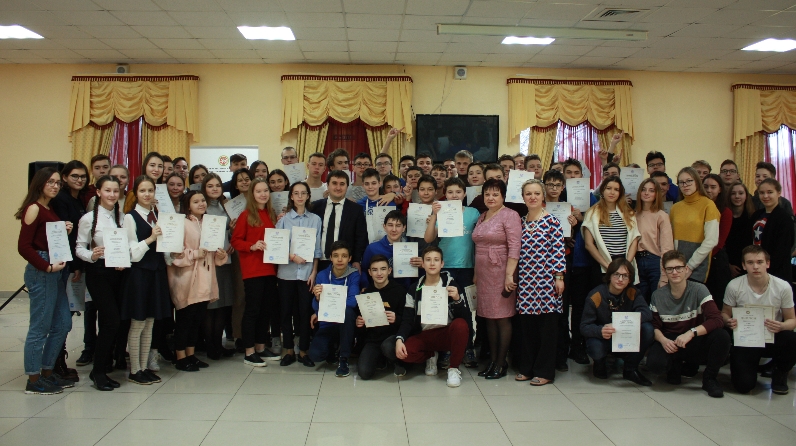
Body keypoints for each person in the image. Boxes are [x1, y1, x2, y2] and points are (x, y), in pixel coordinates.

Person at [17, 168, 74, 395]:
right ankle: (33, 379)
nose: (55, 186)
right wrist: (46, 266)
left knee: (63, 324)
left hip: (55, 270)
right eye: (50, 182)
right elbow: (24, 246)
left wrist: (64, 231)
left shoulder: (49, 208)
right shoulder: (34, 208)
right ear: (40, 183)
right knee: (39, 327)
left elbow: (48, 239)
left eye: (58, 183)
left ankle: (48, 372)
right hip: (42, 270)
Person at [647, 250, 730, 398]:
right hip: (671, 340)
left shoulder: (699, 289)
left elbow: (717, 320)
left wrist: (691, 333)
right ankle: (675, 365)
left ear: (686, 269)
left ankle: (710, 379)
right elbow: (654, 326)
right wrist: (664, 341)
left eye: (678, 268)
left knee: (722, 336)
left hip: (693, 338)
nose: (675, 272)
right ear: (664, 271)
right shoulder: (658, 295)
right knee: (655, 366)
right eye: (670, 269)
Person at [389, 246, 471, 387]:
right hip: (425, 334)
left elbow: (465, 318)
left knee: (460, 325)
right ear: (422, 263)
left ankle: (453, 368)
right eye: (428, 260)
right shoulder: (414, 289)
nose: (432, 263)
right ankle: (431, 355)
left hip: (446, 334)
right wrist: (399, 339)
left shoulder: (452, 285)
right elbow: (407, 320)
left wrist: (457, 299)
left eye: (436, 260)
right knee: (404, 353)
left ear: (442, 264)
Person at [167, 190, 228, 371]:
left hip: (205, 277)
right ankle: (180, 357)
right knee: (185, 319)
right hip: (186, 278)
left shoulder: (208, 224)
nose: (201, 204)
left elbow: (212, 253)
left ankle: (191, 354)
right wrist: (194, 254)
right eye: (196, 202)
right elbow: (173, 253)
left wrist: (220, 255)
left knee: (197, 319)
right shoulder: (182, 223)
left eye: (202, 200)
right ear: (188, 206)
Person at [723, 245, 796, 395]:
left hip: (772, 337)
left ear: (767, 263)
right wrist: (728, 321)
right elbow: (724, 313)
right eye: (750, 262)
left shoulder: (783, 287)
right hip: (746, 340)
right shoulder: (734, 285)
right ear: (744, 265)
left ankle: (780, 372)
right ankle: (749, 369)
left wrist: (781, 326)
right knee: (743, 386)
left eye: (760, 262)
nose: (755, 267)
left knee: (791, 338)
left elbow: (792, 320)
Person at [76, 175, 125, 391]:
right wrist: (92, 255)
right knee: (111, 321)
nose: (112, 195)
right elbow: (79, 248)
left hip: (119, 273)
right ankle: (97, 371)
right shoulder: (88, 219)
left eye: (115, 191)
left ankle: (102, 368)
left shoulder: (121, 216)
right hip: (98, 273)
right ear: (98, 192)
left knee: (111, 321)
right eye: (107, 190)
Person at [425, 177, 481, 367]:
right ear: (445, 194)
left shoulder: (473, 213)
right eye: (450, 192)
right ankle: (446, 350)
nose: (454, 195)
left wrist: (477, 269)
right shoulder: (440, 211)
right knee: (445, 309)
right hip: (445, 267)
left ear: (464, 194)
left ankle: (468, 348)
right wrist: (434, 216)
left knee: (465, 309)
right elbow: (428, 238)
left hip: (467, 267)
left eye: (458, 192)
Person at [515, 179, 566, 385]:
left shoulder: (552, 221)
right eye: (528, 194)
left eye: (537, 193)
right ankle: (527, 368)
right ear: (523, 197)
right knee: (527, 328)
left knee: (547, 329)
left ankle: (544, 371)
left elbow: (558, 251)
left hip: (547, 282)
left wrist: (559, 277)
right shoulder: (520, 222)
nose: (533, 197)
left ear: (543, 195)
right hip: (525, 282)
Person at [121, 176, 171, 384]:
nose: (147, 194)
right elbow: (132, 253)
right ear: (135, 193)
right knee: (138, 322)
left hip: (156, 273)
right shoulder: (130, 217)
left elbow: (164, 246)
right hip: (139, 275)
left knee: (150, 322)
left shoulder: (157, 214)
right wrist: (151, 238)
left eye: (150, 190)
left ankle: (144, 367)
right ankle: (135, 369)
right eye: (142, 191)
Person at [471, 178, 522, 379]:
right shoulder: (482, 216)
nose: (491, 198)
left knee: (502, 317)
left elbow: (515, 246)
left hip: (501, 271)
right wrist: (476, 274)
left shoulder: (510, 215)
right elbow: (477, 247)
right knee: (489, 318)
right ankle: (493, 361)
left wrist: (509, 275)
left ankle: (502, 363)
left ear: (503, 196)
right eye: (487, 194)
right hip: (484, 273)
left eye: (495, 194)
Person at [580, 258, 653, 385]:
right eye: (616, 275)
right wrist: (600, 330)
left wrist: (626, 322)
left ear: (630, 279)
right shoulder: (596, 295)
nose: (620, 279)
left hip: (626, 337)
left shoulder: (633, 292)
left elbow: (647, 314)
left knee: (648, 329)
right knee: (596, 347)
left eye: (625, 276)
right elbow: (584, 326)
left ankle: (630, 368)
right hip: (604, 338)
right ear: (609, 276)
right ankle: (600, 363)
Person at [230, 178, 280, 367]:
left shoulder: (271, 214)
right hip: (253, 270)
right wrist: (252, 246)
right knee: (252, 310)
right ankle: (249, 351)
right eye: (258, 191)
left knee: (266, 310)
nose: (263, 194)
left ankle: (260, 347)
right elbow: (236, 241)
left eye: (265, 190)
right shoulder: (246, 215)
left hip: (270, 269)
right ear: (252, 194)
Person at [275, 181, 322, 367]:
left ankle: (303, 351)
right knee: (286, 312)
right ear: (291, 196)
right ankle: (288, 350)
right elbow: (277, 246)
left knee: (304, 312)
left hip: (307, 274)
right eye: (296, 193)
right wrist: (292, 256)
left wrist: (314, 272)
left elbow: (317, 249)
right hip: (286, 273)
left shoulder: (315, 219)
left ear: (308, 196)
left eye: (303, 193)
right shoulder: (283, 220)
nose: (300, 196)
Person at [52, 161, 91, 370]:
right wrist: (75, 265)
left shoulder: (78, 199)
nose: (79, 180)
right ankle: (56, 362)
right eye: (75, 176)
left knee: (67, 313)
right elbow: (65, 237)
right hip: (65, 263)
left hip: (76, 262)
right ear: (65, 177)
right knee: (62, 316)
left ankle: (58, 360)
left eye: (83, 176)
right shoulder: (61, 199)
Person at [562, 158, 599, 365]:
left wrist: (582, 219)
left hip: (585, 260)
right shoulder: (558, 196)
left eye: (576, 173)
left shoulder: (591, 198)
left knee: (580, 306)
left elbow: (598, 225)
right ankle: (563, 345)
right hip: (563, 261)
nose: (573, 176)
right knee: (563, 306)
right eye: (569, 172)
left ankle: (579, 346)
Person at [309, 241, 361, 377]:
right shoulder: (322, 275)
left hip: (345, 323)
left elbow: (352, 302)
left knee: (348, 312)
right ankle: (333, 348)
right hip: (328, 323)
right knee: (315, 355)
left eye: (344, 256)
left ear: (349, 258)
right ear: (330, 257)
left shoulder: (354, 275)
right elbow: (315, 307)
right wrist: (318, 299)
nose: (340, 259)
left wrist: (327, 305)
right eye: (336, 255)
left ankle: (344, 359)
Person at [201, 174, 238, 361]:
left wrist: (231, 238)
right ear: (204, 188)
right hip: (209, 262)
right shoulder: (202, 206)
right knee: (211, 306)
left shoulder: (226, 206)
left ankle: (219, 344)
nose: (214, 189)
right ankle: (211, 346)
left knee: (223, 304)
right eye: (210, 186)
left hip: (226, 260)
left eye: (217, 185)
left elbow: (229, 232)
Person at [582, 176, 640, 286]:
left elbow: (634, 240)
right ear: (602, 190)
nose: (612, 192)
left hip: (624, 262)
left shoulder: (628, 212)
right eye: (608, 188)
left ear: (620, 193)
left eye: (616, 189)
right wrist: (608, 266)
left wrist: (626, 264)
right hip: (602, 264)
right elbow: (589, 244)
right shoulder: (592, 213)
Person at [356, 257, 407, 379]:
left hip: (393, 338)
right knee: (364, 373)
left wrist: (396, 319)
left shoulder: (400, 291)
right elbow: (362, 330)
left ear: (389, 271)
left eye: (383, 269)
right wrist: (359, 324)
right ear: (369, 272)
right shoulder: (366, 294)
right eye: (375, 270)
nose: (379, 273)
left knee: (388, 346)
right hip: (374, 339)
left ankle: (397, 362)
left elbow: (408, 321)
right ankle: (382, 360)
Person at [668, 167, 720, 284]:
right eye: (681, 182)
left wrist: (690, 266)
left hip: (698, 265)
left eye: (689, 181)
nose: (685, 185)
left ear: (697, 181)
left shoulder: (708, 205)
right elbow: (671, 239)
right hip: (677, 265)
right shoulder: (675, 208)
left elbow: (711, 240)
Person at [359, 210, 421, 291]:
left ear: (404, 228)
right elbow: (364, 270)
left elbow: (416, 276)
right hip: (378, 292)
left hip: (405, 292)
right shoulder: (372, 248)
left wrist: (422, 265)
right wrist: (365, 286)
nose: (394, 229)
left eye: (398, 225)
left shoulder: (412, 249)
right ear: (384, 227)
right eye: (390, 225)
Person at [634, 179, 673, 302]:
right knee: (640, 301)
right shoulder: (634, 215)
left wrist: (664, 276)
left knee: (656, 301)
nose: (646, 193)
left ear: (656, 194)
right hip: (637, 261)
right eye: (644, 190)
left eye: (651, 190)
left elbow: (667, 247)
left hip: (654, 262)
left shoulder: (661, 216)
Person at [751, 178, 794, 283]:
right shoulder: (756, 215)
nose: (765, 196)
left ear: (778, 193)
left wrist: (766, 269)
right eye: (762, 193)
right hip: (755, 269)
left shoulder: (784, 218)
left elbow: (782, 250)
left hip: (776, 272)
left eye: (770, 192)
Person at [703, 173, 733, 310]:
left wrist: (701, 257)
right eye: (705, 187)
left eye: (713, 187)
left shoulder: (725, 211)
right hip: (699, 260)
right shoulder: (699, 208)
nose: (709, 190)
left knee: (716, 301)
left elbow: (719, 242)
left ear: (720, 189)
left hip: (716, 260)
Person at [725, 182, 755, 277]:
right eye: (733, 193)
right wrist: (728, 265)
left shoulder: (753, 217)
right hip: (726, 264)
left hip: (748, 264)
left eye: (741, 193)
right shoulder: (723, 217)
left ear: (746, 195)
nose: (737, 196)